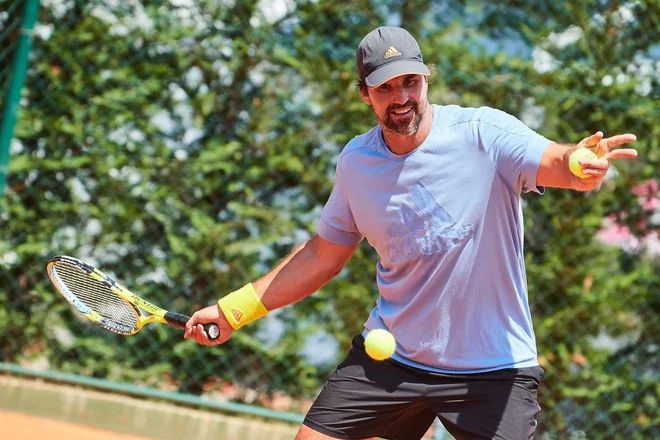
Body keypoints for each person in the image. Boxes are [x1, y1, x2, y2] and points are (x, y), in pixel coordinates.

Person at [184, 26, 638, 440]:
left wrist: (580, 165)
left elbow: (555, 162)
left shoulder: (485, 134)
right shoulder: (356, 164)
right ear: (365, 94)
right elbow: (323, 254)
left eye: (410, 82)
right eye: (385, 87)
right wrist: (233, 311)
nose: (401, 97)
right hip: (392, 357)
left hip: (493, 367)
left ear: (427, 80)